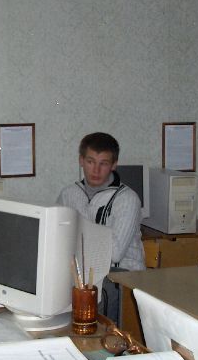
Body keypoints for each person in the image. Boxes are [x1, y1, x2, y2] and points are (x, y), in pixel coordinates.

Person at [57, 132, 145, 322]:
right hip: (84, 270)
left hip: (121, 274)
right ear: (81, 161)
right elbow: (57, 239)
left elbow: (115, 254)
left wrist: (79, 232)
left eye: (103, 163)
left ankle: (101, 337)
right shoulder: (69, 194)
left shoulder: (127, 199)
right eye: (90, 162)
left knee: (99, 291)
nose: (95, 170)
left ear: (113, 165)